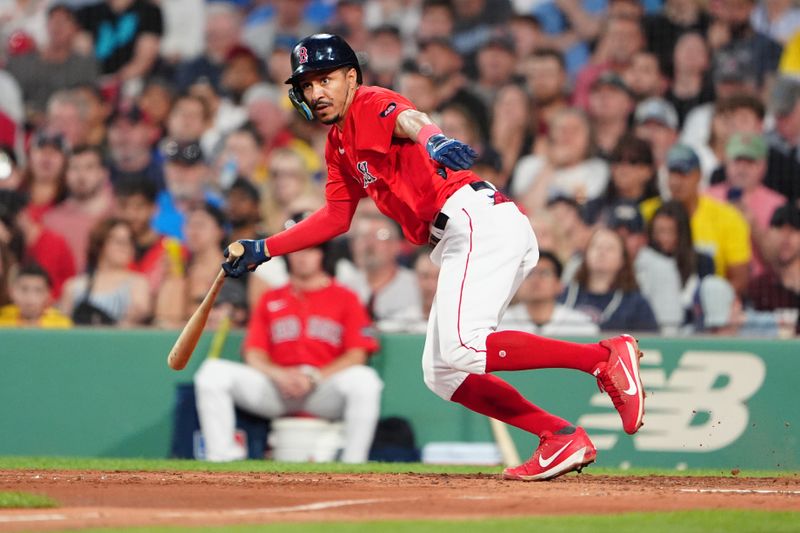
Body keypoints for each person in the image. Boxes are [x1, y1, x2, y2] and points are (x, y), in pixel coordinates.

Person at [222, 34, 647, 481]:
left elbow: (408, 118)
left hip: (472, 218)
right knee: (443, 372)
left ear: (350, 77)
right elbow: (335, 216)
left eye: (325, 79)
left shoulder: (367, 100)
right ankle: (559, 436)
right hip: (464, 234)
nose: (316, 93)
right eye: (307, 85)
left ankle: (601, 358)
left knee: (465, 347)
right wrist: (265, 247)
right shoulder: (337, 145)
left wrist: (433, 139)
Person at [194, 212, 383, 463]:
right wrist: (279, 375)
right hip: (278, 388)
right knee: (211, 374)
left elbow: (357, 354)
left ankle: (353, 462)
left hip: (321, 387)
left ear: (322, 253)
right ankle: (222, 459)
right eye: (297, 250)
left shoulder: (345, 297)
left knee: (366, 380)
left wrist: (314, 377)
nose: (302, 257)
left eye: (310, 249)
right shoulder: (271, 298)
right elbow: (254, 353)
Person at [642, 144, 752, 296]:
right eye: (672, 173)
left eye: (683, 174)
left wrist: (710, 302)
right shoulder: (647, 212)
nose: (676, 181)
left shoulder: (727, 217)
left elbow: (740, 278)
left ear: (699, 175)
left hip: (710, 301)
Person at [560, 227, 659, 333]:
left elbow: (650, 343)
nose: (602, 252)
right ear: (586, 255)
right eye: (596, 247)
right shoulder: (563, 293)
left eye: (610, 248)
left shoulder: (636, 304)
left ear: (622, 260)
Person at [59, 218, 150, 326]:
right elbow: (62, 325)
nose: (126, 247)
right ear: (100, 244)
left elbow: (139, 316)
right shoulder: (74, 286)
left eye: (130, 242)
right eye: (119, 242)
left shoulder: (138, 283)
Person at [42, 145, 116, 273]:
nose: (81, 175)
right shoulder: (51, 220)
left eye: (89, 167)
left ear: (104, 173)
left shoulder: (121, 212)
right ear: (65, 175)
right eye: (74, 168)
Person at [500, 251, 599, 337]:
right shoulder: (499, 324)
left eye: (544, 273)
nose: (535, 280)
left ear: (559, 284)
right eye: (529, 273)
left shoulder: (581, 325)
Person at [0, 263, 72, 328]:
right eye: (24, 289)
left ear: (48, 295)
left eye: (38, 290)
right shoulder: (2, 322)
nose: (30, 297)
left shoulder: (61, 325)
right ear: (12, 292)